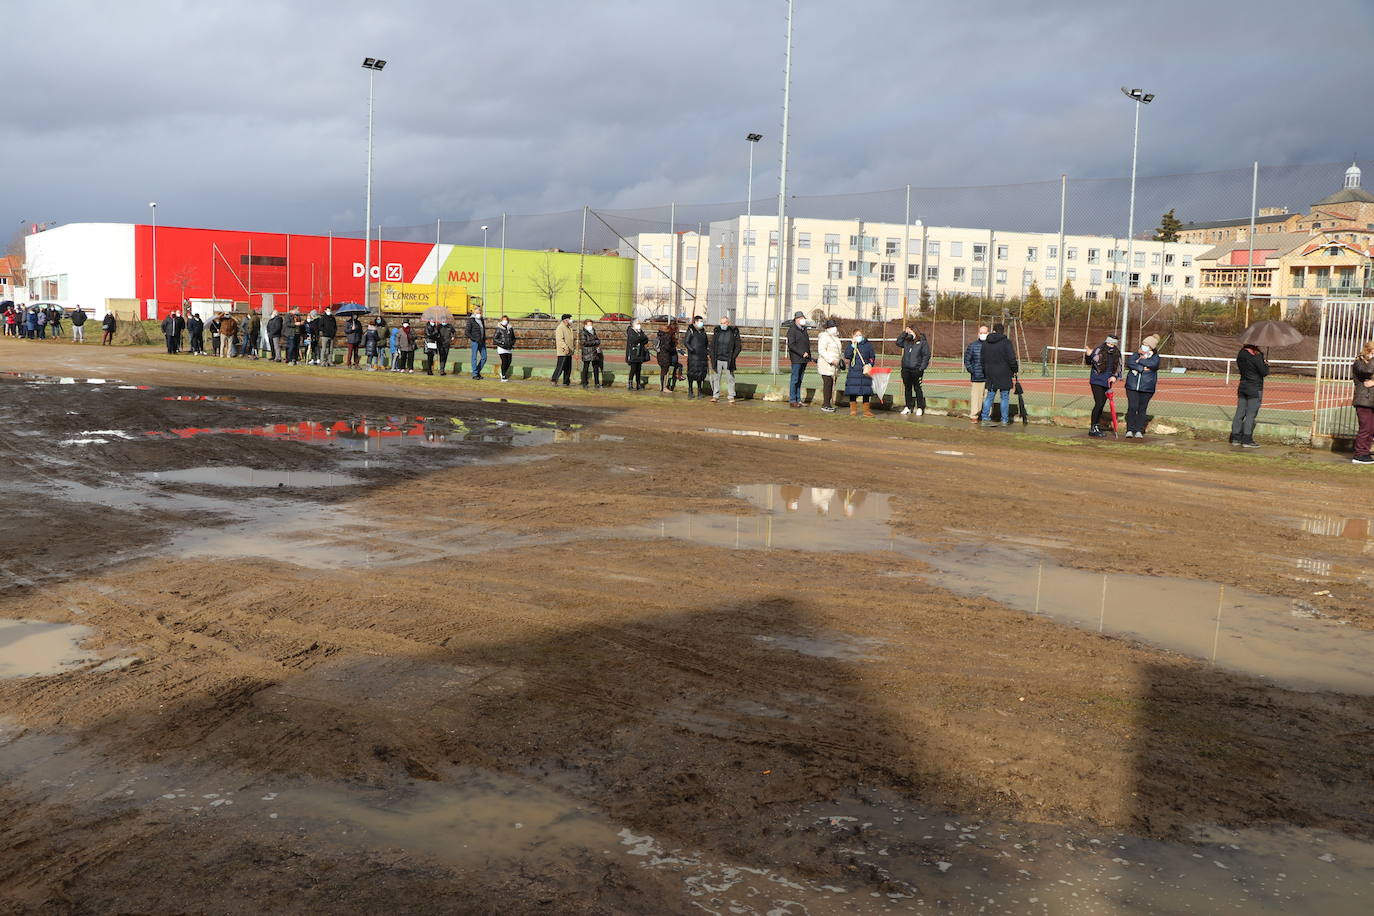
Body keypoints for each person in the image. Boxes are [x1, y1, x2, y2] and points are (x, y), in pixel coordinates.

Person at [1229, 342, 1269, 449]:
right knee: (1251, 415)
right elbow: (1264, 372)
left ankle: (1235, 437)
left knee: (1240, 413)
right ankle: (1247, 439)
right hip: (1254, 388)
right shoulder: (1256, 357)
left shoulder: (1240, 355)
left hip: (1243, 387)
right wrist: (1265, 363)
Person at [980, 323, 1019, 427]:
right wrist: (1015, 369)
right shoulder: (1007, 343)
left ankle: (985, 418)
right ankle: (1004, 420)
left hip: (990, 374)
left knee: (989, 396)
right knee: (1004, 397)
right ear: (1003, 331)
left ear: (993, 331)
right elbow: (1012, 359)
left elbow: (982, 360)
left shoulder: (986, 343)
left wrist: (985, 372)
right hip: (1004, 374)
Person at [1083, 334, 1122, 438]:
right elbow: (1089, 362)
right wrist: (1088, 354)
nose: (1110, 345)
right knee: (1099, 403)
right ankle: (1093, 428)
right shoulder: (1099, 350)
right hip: (1096, 380)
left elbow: (1118, 367)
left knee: (1101, 405)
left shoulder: (1117, 353)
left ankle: (1096, 425)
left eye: (1113, 344)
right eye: (1109, 343)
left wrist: (1115, 376)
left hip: (1107, 382)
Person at [1124, 334, 1161, 439]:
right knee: (1132, 407)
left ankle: (1139, 430)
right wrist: (1141, 368)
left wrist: (1140, 361)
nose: (1144, 346)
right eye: (1143, 344)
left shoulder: (1155, 357)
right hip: (1132, 386)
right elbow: (1130, 363)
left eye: (1146, 345)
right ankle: (1130, 430)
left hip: (1147, 387)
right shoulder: (1135, 354)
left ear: (1151, 347)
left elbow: (1153, 364)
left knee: (1142, 409)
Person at [894, 324, 930, 416]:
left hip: (916, 369)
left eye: (910, 331)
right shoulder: (906, 341)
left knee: (917, 388)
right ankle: (908, 407)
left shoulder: (922, 342)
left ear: (915, 331)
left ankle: (920, 407)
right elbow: (898, 342)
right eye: (908, 331)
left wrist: (921, 367)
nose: (909, 333)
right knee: (907, 388)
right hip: (906, 368)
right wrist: (904, 333)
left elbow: (926, 355)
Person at [842, 330, 877, 417]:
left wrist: (870, 364)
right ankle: (853, 410)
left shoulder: (868, 345)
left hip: (865, 371)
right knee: (852, 391)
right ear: (853, 336)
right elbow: (847, 355)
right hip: (854, 372)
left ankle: (866, 411)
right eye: (856, 335)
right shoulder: (851, 345)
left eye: (860, 335)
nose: (858, 336)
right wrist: (852, 346)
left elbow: (872, 357)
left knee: (866, 392)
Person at [709, 315, 742, 403]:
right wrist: (712, 356)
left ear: (728, 323)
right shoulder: (717, 332)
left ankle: (731, 396)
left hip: (728, 360)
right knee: (716, 378)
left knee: (730, 378)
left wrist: (733, 357)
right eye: (721, 323)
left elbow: (738, 346)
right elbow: (712, 345)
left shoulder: (733, 332)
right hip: (718, 359)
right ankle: (715, 396)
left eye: (724, 323)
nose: (722, 325)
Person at [1352, 340, 1374, 465]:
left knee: (1371, 429)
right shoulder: (1359, 363)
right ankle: (1360, 454)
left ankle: (1365, 452)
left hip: (1371, 401)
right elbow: (1368, 371)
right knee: (1365, 428)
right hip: (1363, 401)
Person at [816, 319, 844, 413]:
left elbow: (838, 351)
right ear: (828, 328)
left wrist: (840, 360)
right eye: (832, 326)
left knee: (831, 384)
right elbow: (822, 350)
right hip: (826, 365)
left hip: (834, 366)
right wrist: (831, 360)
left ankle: (828, 403)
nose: (834, 328)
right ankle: (826, 404)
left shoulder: (835, 338)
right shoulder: (824, 337)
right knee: (827, 383)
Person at [963, 325, 988, 422]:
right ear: (978, 334)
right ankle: (974, 416)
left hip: (989, 377)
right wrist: (973, 371)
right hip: (977, 377)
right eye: (981, 332)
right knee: (976, 399)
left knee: (987, 399)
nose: (983, 334)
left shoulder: (991, 345)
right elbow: (967, 360)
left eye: (985, 333)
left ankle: (986, 416)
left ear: (988, 333)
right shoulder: (972, 346)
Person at [786, 311, 811, 408]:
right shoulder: (792, 330)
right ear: (796, 319)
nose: (803, 320)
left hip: (804, 359)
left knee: (800, 380)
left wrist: (808, 355)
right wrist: (801, 353)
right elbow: (791, 345)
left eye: (803, 318)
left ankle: (798, 399)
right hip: (796, 359)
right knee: (795, 379)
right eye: (801, 318)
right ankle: (793, 400)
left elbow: (806, 343)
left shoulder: (804, 330)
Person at [684, 315, 710, 399]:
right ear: (695, 322)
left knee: (701, 374)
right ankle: (690, 391)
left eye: (702, 321)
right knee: (691, 373)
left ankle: (699, 391)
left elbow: (706, 343)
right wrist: (692, 350)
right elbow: (686, 342)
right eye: (700, 321)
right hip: (693, 357)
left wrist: (707, 351)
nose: (701, 323)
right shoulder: (691, 330)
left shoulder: (703, 331)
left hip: (702, 357)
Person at [625, 319, 650, 390]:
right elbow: (634, 339)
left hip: (640, 353)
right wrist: (641, 338)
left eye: (639, 323)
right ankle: (630, 384)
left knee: (639, 369)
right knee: (633, 369)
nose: (639, 324)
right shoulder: (631, 331)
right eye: (637, 323)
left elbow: (646, 339)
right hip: (633, 353)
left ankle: (638, 384)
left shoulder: (640, 331)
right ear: (633, 324)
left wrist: (641, 338)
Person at [656, 319, 680, 392]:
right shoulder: (668, 335)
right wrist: (673, 348)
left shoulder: (662, 334)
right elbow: (667, 347)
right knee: (665, 371)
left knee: (664, 371)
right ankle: (664, 387)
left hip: (660, 354)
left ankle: (663, 387)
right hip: (665, 355)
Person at [579, 319, 604, 388]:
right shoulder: (583, 332)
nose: (590, 326)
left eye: (591, 324)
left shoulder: (593, 331)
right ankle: (585, 383)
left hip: (594, 352)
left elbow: (598, 339)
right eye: (589, 325)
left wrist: (596, 342)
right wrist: (595, 342)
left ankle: (597, 383)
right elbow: (584, 342)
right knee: (586, 367)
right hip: (587, 352)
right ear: (585, 325)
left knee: (596, 367)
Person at [552, 314, 576, 385]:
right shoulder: (560, 327)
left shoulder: (569, 328)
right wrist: (565, 347)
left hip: (569, 351)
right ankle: (554, 380)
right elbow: (560, 340)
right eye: (569, 318)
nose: (571, 320)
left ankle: (566, 381)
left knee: (568, 368)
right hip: (563, 351)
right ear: (565, 320)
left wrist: (572, 349)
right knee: (560, 367)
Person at [466, 307, 487, 380]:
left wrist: (484, 339)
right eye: (477, 313)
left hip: (482, 341)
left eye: (480, 313)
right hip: (475, 342)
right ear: (474, 313)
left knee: (484, 357)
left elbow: (483, 330)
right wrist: (474, 339)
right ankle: (475, 374)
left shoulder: (481, 320)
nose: (479, 314)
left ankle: (477, 371)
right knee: (474, 357)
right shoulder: (471, 320)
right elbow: (467, 332)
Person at [494, 315, 516, 381]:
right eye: (503, 320)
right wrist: (502, 342)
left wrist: (512, 343)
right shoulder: (499, 329)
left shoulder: (510, 328)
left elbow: (513, 338)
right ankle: (503, 376)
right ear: (501, 321)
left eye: (506, 320)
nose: (505, 321)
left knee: (509, 362)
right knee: (504, 361)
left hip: (508, 348)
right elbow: (495, 339)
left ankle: (503, 372)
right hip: (501, 348)